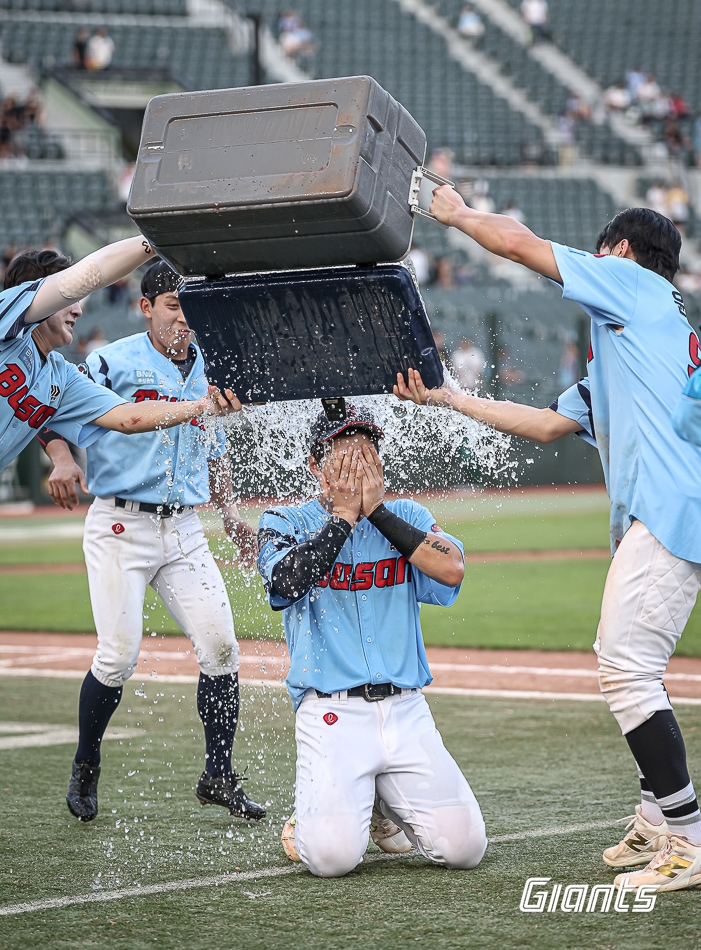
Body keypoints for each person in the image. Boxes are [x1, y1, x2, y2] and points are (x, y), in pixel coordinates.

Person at [394, 192, 701, 894]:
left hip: (669, 511)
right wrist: (449, 400)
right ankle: (659, 816)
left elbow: (515, 244)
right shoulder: (640, 335)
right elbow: (541, 425)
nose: (591, 263)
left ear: (620, 252)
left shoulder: (632, 285)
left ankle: (683, 834)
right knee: (633, 665)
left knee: (625, 668)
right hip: (670, 509)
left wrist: (455, 211)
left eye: (599, 251)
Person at [37, 261, 264, 823]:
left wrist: (232, 518)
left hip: (184, 527)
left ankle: (218, 773)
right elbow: (48, 405)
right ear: (146, 308)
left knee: (221, 649)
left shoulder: (207, 364)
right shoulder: (113, 360)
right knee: (117, 657)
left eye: (190, 308)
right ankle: (86, 762)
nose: (184, 318)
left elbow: (212, 449)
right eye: (173, 306)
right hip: (121, 524)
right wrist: (63, 459)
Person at [256, 404, 486, 878]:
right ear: (315, 466)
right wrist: (342, 518)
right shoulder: (285, 520)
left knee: (466, 850)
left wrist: (376, 511)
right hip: (331, 712)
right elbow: (286, 581)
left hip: (407, 711)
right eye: (345, 454)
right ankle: (314, 815)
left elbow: (451, 567)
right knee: (333, 860)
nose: (359, 463)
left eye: (367, 452)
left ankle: (380, 798)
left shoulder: (407, 515)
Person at [0, 241, 241, 477]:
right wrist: (158, 239)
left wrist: (202, 406)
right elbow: (86, 276)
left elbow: (128, 417)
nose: (78, 310)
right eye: (69, 301)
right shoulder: (5, 315)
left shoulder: (62, 376)